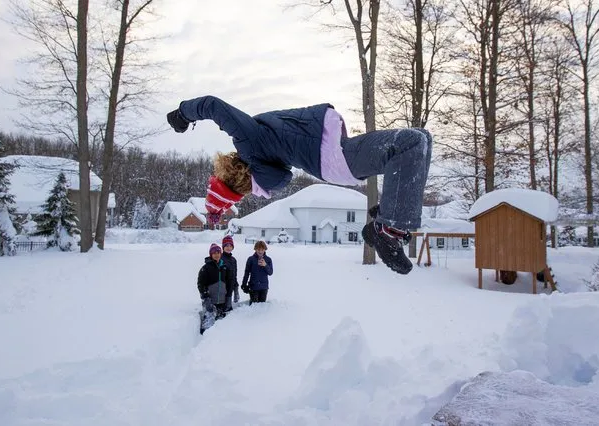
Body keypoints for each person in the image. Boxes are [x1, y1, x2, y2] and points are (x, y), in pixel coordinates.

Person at [167, 96, 432, 274]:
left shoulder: (265, 165)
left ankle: (388, 214)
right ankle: (386, 230)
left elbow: (282, 176)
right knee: (411, 143)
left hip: (333, 153)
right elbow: (213, 105)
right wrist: (183, 113)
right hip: (333, 157)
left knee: (421, 137)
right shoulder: (249, 143)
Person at [197, 243, 233, 334]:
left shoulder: (225, 267)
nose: (216, 254)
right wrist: (206, 298)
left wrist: (228, 297)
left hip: (222, 301)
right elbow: (201, 284)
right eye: (214, 253)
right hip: (210, 302)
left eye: (218, 252)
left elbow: (229, 283)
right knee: (208, 327)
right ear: (211, 254)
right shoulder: (205, 268)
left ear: (221, 253)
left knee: (221, 326)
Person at [220, 234, 239, 309]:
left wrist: (236, 287)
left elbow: (234, 275)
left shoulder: (233, 260)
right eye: (226, 246)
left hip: (230, 289)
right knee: (222, 309)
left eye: (230, 246)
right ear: (223, 247)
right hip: (221, 290)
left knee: (228, 308)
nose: (229, 248)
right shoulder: (219, 258)